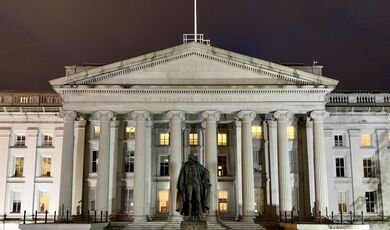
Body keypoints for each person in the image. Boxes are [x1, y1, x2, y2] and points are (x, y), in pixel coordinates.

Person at [176, 153, 210, 220]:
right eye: (190, 157)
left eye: (191, 157)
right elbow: (182, 176)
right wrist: (181, 185)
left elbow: (206, 171)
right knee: (189, 199)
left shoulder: (198, 165)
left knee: (198, 199)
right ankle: (189, 215)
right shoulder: (185, 166)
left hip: (197, 184)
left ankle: (199, 215)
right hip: (188, 184)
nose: (190, 159)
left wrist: (204, 178)